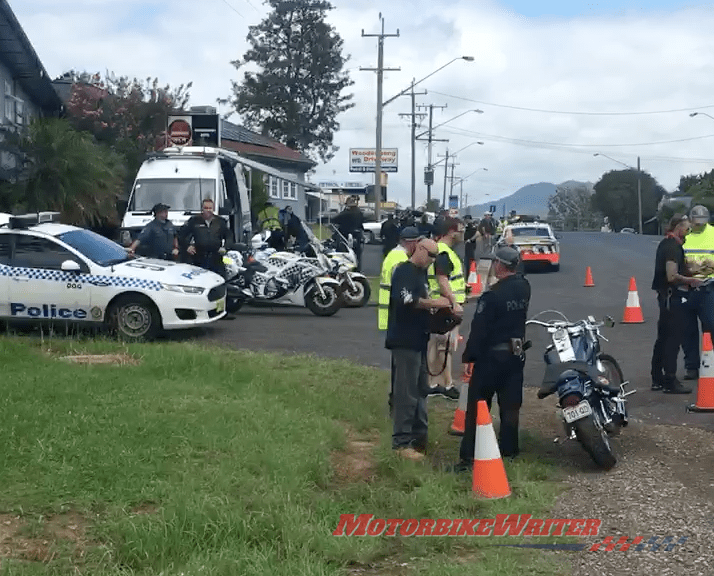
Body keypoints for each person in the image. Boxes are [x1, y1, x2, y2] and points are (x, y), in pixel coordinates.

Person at [453, 246, 531, 471]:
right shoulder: (524, 288)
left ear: (499, 265)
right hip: (516, 354)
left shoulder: (492, 295)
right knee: (510, 406)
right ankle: (509, 451)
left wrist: (469, 357)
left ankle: (470, 457)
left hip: (491, 358)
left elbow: (479, 330)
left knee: (478, 405)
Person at [387, 238, 455, 461]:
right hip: (404, 340)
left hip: (418, 339)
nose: (433, 261)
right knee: (406, 393)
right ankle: (401, 443)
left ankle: (419, 439)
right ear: (421, 249)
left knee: (420, 391)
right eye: (432, 256)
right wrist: (436, 303)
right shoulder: (404, 271)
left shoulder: (421, 274)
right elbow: (406, 300)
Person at [650, 214, 702, 393]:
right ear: (678, 227)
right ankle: (670, 380)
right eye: (686, 228)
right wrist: (689, 280)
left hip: (664, 297)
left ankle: (657, 378)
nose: (688, 233)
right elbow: (672, 275)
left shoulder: (666, 243)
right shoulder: (672, 247)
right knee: (672, 339)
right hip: (672, 297)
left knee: (663, 338)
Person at [378, 226, 422, 415]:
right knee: (402, 371)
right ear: (411, 242)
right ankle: (397, 406)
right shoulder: (401, 261)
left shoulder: (392, 256)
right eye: (418, 243)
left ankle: (396, 403)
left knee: (399, 368)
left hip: (390, 316)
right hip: (397, 317)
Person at [426, 217, 466, 400]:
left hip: (441, 304)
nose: (462, 233)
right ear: (451, 231)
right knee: (444, 346)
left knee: (436, 345)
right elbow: (442, 280)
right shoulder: (443, 252)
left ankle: (433, 383)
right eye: (460, 229)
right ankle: (446, 385)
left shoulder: (441, 250)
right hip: (445, 306)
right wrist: (454, 302)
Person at [681, 205, 714, 381]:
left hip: (709, 287)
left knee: (711, 327)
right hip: (688, 287)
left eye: (701, 223)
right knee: (688, 331)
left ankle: (711, 364)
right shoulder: (685, 235)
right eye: (696, 223)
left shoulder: (713, 234)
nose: (698, 225)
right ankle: (692, 367)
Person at [179, 198, 232, 276]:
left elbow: (229, 236)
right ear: (202, 209)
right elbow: (182, 235)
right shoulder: (194, 221)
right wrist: (187, 246)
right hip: (199, 257)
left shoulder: (220, 222)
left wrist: (225, 247)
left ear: (213, 208)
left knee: (219, 280)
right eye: (206, 208)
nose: (208, 210)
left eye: (210, 208)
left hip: (216, 257)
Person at [332, 196, 365, 271]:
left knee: (344, 253)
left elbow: (334, 219)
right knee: (357, 255)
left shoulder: (346, 213)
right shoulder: (359, 212)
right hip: (357, 236)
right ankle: (357, 269)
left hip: (345, 236)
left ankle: (344, 269)